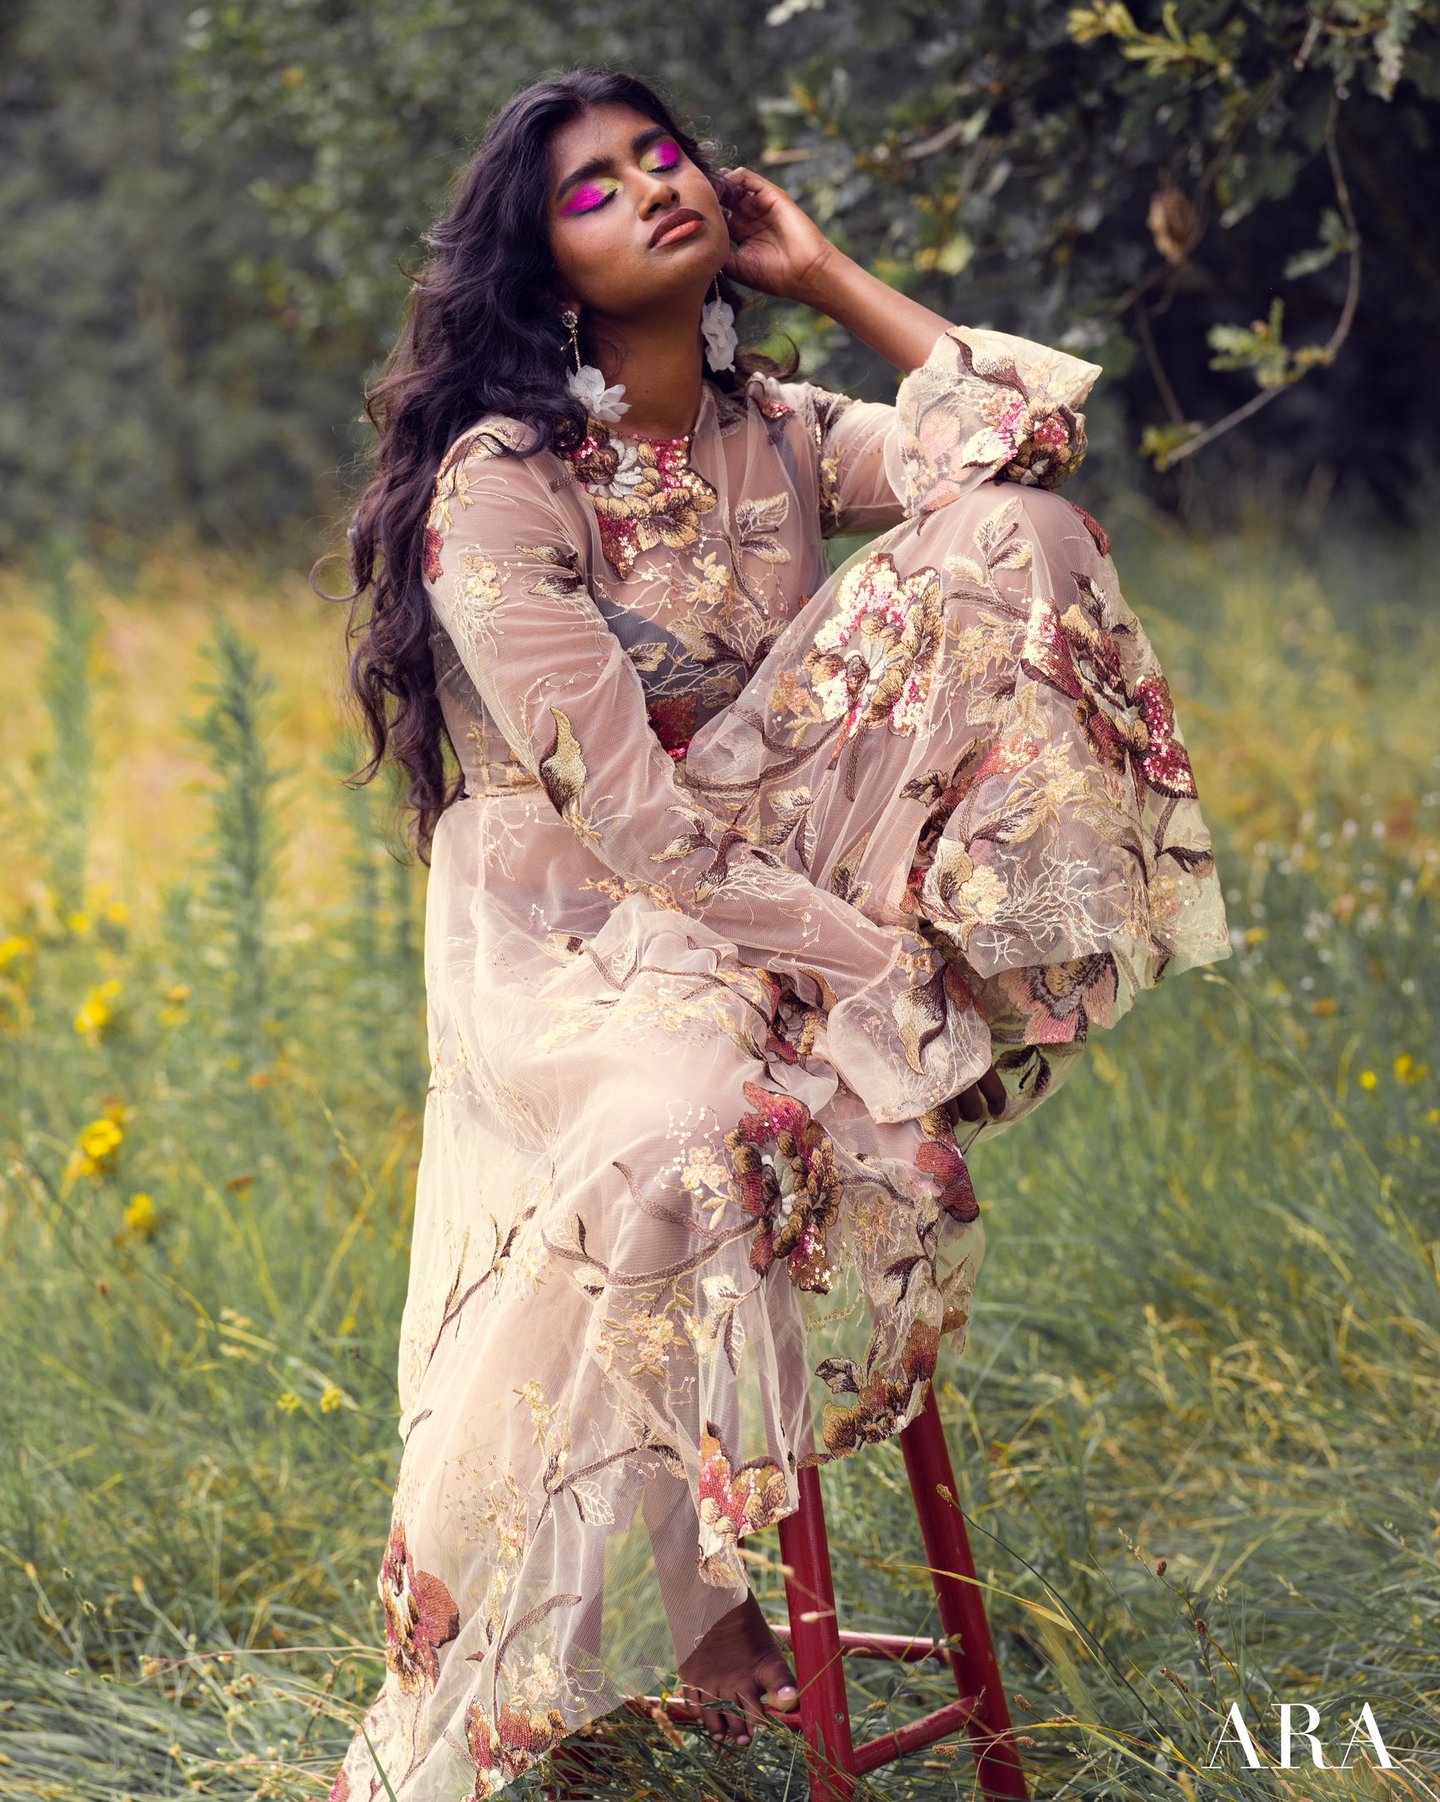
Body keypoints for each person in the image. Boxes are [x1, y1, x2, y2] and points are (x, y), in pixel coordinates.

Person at [322, 66, 1231, 1802]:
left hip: (767, 866)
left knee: (1011, 532)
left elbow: (1027, 444)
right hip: (574, 928)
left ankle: (966, 966)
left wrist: (826, 279)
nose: (652, 189)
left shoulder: (775, 429)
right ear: (539, 261)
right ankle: (691, 1590)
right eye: (594, 187)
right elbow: (637, 824)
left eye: (663, 157)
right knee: (686, 1122)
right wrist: (860, 961)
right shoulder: (497, 489)